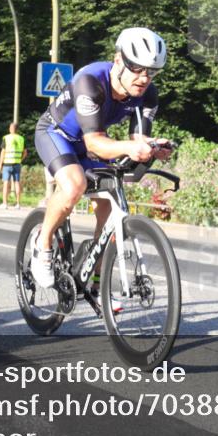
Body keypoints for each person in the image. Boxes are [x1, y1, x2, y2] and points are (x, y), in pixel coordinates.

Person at [32, 27, 173, 307]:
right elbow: (96, 143)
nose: (144, 78)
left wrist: (154, 148)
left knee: (111, 211)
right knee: (74, 186)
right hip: (56, 135)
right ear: (118, 60)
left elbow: (137, 140)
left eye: (151, 71)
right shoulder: (91, 82)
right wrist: (131, 147)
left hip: (91, 142)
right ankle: (43, 244)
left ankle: (95, 282)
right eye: (137, 68)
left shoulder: (148, 94)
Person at [0, 123, 27, 209]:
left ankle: (5, 204)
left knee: (6, 183)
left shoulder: (6, 138)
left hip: (7, 163)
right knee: (17, 182)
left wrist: (0, 165)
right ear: (17, 129)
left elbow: (3, 152)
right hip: (17, 164)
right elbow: (25, 152)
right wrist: (20, 160)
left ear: (10, 129)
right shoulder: (21, 139)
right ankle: (18, 204)